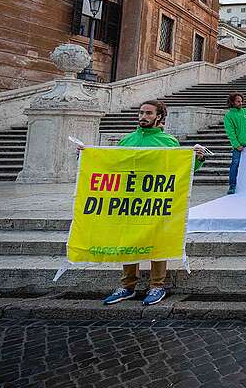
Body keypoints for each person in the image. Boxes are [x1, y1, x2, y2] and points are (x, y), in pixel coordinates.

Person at [82, 100, 207, 307]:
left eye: (148, 113)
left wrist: (197, 159)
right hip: (129, 201)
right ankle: (127, 285)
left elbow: (181, 170)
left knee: (158, 241)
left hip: (155, 201)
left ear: (159, 116)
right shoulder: (127, 140)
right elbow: (112, 166)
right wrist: (88, 157)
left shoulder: (168, 142)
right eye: (141, 112)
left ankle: (157, 285)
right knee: (128, 241)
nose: (143, 116)